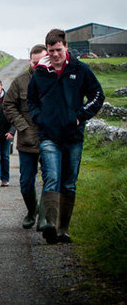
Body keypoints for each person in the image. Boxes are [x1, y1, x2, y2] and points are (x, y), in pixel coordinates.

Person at [27, 29, 104, 244]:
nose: (55, 55)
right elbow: (31, 100)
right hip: (49, 134)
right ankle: (50, 224)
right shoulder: (40, 71)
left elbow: (97, 95)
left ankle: (63, 229)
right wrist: (38, 117)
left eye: (58, 50)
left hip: (73, 136)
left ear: (66, 47)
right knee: (51, 176)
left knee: (69, 183)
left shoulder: (80, 69)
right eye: (51, 51)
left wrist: (81, 115)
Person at [3, 44, 48, 229]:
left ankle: (45, 218)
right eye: (34, 61)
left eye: (41, 61)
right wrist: (22, 126)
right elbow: (8, 105)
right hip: (27, 140)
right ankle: (31, 211)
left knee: (50, 179)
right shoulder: (20, 81)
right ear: (30, 60)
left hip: (49, 139)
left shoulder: (54, 79)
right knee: (26, 182)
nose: (37, 65)